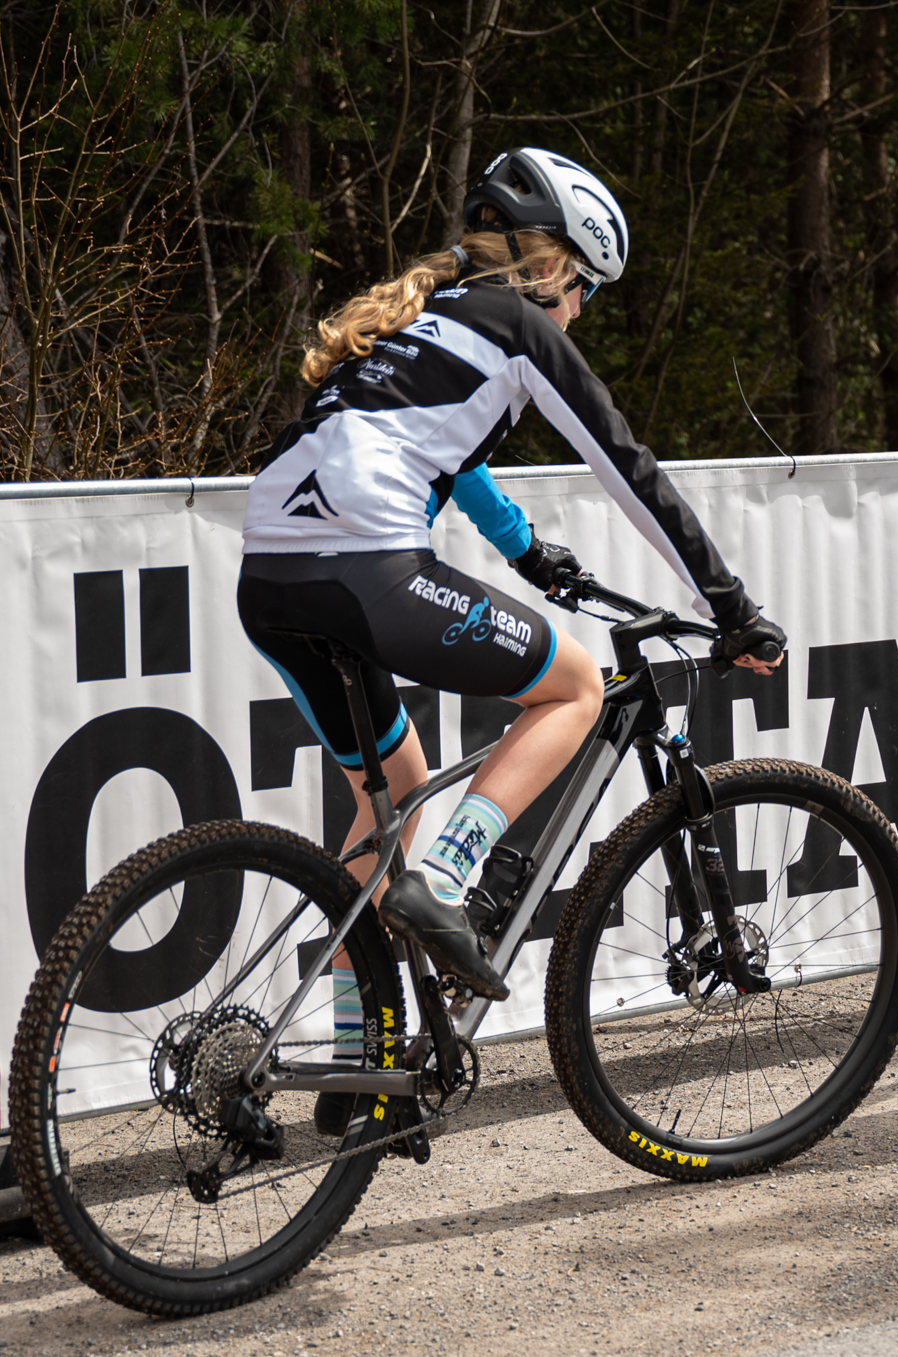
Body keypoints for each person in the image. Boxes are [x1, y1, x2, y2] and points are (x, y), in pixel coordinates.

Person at [238, 147, 786, 1034]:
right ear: (550, 266)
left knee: (393, 794)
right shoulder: (520, 327)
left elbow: (444, 455)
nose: (581, 311)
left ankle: (354, 1057)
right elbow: (629, 469)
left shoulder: (413, 319)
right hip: (366, 567)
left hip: (267, 579)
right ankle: (446, 879)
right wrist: (731, 607)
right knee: (576, 686)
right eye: (585, 288)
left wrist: (527, 552)